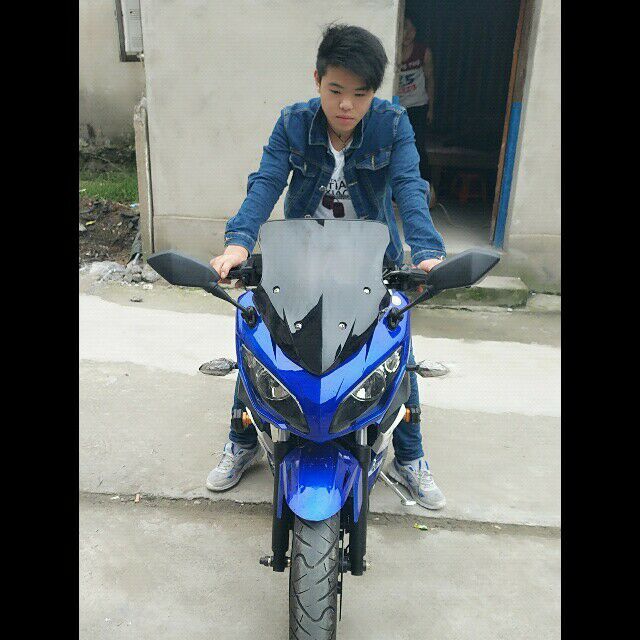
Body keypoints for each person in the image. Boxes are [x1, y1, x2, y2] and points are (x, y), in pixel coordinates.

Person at [205, 23, 447, 510]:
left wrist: (426, 253)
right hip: (301, 259)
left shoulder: (393, 124)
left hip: (370, 263)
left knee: (395, 352)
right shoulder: (293, 123)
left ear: (374, 92)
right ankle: (242, 439)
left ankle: (410, 456)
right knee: (264, 344)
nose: (346, 105)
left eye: (360, 94)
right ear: (317, 80)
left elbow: (409, 187)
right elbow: (266, 182)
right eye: (335, 90)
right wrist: (238, 244)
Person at [398, 16, 435, 202]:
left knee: (418, 147)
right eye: (404, 29)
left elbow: (430, 79)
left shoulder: (423, 52)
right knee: (395, 149)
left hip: (418, 106)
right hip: (398, 108)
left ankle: (427, 192)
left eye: (411, 30)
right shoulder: (394, 51)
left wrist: (431, 109)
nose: (408, 34)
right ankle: (397, 194)